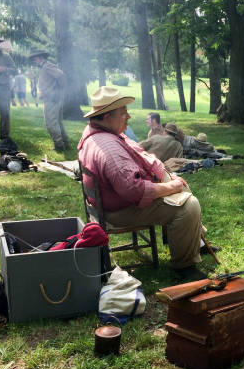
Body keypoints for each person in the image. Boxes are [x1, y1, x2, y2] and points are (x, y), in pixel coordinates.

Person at [78, 86, 205, 277]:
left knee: (181, 191)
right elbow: (133, 190)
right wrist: (172, 186)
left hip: (111, 202)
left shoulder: (95, 132)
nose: (128, 116)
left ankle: (194, 240)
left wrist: (166, 177)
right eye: (123, 113)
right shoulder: (110, 150)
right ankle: (185, 266)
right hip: (120, 210)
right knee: (188, 206)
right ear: (106, 117)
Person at [29, 50, 69, 151]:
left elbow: (61, 76)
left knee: (51, 123)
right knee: (58, 122)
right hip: (53, 97)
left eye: (35, 58)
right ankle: (65, 143)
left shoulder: (47, 66)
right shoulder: (45, 67)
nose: (34, 60)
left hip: (52, 98)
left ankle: (59, 145)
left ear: (40, 58)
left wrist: (56, 91)